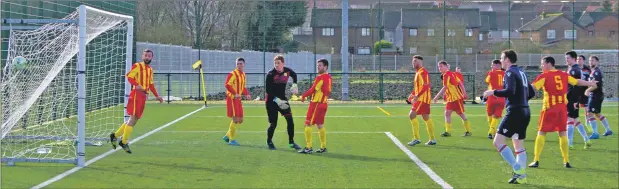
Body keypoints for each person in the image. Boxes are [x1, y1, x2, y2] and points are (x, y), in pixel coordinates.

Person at [528, 56, 597, 169]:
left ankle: (536, 160)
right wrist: (590, 83)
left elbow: (532, 87)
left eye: (542, 63)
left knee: (541, 132)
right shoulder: (563, 74)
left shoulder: (544, 76)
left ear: (549, 64)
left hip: (549, 108)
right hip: (562, 109)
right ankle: (566, 161)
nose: (541, 66)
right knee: (562, 133)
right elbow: (577, 82)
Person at [483, 50, 535, 184]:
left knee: (498, 142)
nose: (500, 61)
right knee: (518, 145)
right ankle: (521, 177)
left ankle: (517, 168)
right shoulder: (521, 72)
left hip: (515, 112)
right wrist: (522, 101)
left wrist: (492, 92)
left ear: (507, 60)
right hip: (525, 111)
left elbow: (509, 91)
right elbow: (532, 92)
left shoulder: (510, 72)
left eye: (501, 58)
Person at [109, 49, 164, 154]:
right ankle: (124, 142)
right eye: (145, 55)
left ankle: (115, 136)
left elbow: (151, 84)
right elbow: (129, 76)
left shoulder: (150, 70)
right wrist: (137, 85)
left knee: (133, 120)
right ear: (142, 56)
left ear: (152, 57)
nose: (147, 57)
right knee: (133, 119)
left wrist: (157, 96)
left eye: (149, 56)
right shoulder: (137, 66)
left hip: (143, 97)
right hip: (136, 95)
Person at [265, 55, 301, 150]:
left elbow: (294, 75)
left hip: (283, 100)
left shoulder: (287, 71)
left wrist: (294, 84)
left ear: (283, 63)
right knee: (273, 124)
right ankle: (269, 141)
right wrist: (277, 100)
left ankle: (291, 143)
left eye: (278, 63)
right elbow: (268, 91)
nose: (276, 65)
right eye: (275, 63)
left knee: (290, 121)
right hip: (271, 102)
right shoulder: (270, 74)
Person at [298, 59, 332, 154]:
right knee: (320, 125)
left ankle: (308, 147)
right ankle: (323, 147)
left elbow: (312, 90)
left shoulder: (320, 78)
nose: (318, 67)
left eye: (320, 65)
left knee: (307, 124)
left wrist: (303, 96)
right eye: (318, 65)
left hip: (316, 104)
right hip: (324, 104)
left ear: (325, 67)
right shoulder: (329, 77)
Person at [433, 61, 471, 137]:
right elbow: (459, 83)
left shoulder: (447, 74)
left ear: (446, 66)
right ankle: (448, 132)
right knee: (447, 113)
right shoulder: (452, 73)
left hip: (456, 98)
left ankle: (468, 131)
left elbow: (445, 86)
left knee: (461, 115)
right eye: (439, 66)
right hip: (451, 99)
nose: (439, 68)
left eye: (441, 66)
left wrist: (437, 96)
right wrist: (464, 93)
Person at [407, 55, 436, 146]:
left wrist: (417, 96)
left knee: (411, 115)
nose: (413, 62)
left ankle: (416, 138)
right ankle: (432, 139)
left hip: (422, 99)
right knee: (425, 117)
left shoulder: (423, 72)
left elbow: (426, 85)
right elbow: (418, 87)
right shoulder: (418, 72)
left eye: (415, 61)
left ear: (420, 62)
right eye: (413, 61)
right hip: (422, 98)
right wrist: (412, 94)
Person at [222, 57, 251, 146]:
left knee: (240, 119)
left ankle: (227, 136)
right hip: (232, 99)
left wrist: (246, 94)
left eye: (240, 63)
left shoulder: (243, 74)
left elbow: (242, 87)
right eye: (237, 64)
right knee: (235, 119)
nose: (239, 65)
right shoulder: (232, 74)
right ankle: (231, 140)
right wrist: (235, 93)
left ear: (244, 64)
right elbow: (227, 85)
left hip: (238, 99)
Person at [564, 51, 588, 148]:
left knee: (569, 118)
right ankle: (586, 138)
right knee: (575, 119)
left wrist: (573, 98)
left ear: (574, 58)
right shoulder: (573, 69)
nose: (566, 60)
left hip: (572, 97)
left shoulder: (574, 70)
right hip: (574, 97)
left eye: (568, 58)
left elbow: (576, 84)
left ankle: (569, 142)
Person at [585, 55, 613, 138]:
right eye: (590, 60)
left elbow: (595, 85)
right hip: (596, 95)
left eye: (593, 60)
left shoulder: (596, 72)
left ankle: (595, 133)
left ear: (597, 62)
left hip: (595, 95)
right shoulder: (593, 71)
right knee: (597, 114)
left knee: (590, 113)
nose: (591, 62)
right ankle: (608, 130)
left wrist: (587, 90)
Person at [485, 60, 506, 139]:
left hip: (492, 96)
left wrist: (492, 72)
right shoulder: (505, 73)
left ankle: (491, 131)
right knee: (496, 116)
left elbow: (487, 80)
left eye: (492, 65)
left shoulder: (491, 73)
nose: (491, 67)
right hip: (501, 97)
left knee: (490, 114)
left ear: (496, 66)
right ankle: (491, 131)